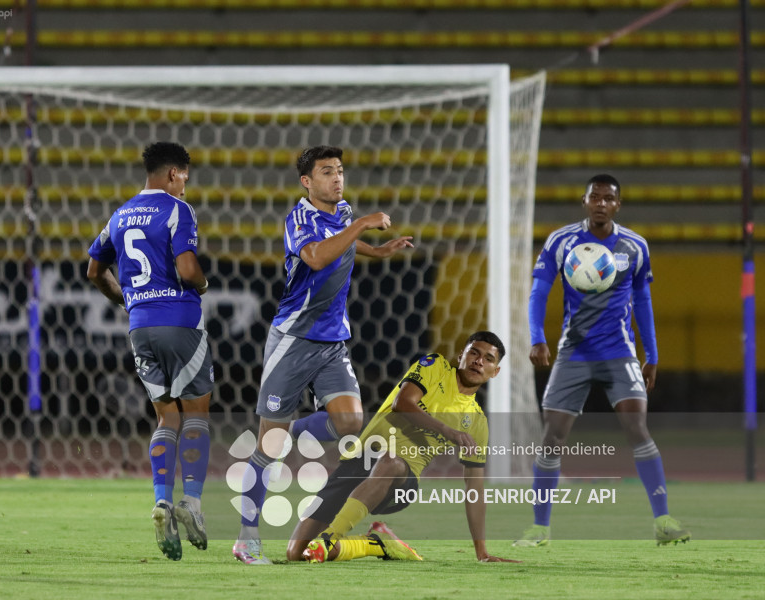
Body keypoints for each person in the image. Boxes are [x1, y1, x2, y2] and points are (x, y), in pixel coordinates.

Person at [233, 145, 414, 565]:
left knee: (349, 422)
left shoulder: (343, 211)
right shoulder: (300, 218)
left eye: (340, 171)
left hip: (332, 343)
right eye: (327, 172)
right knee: (268, 446)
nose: (337, 179)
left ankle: (291, 430)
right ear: (307, 182)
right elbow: (315, 257)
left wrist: (379, 249)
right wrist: (366, 225)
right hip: (293, 340)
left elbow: (344, 246)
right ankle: (246, 538)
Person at [513, 173, 690, 548]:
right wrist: (537, 338)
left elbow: (643, 301)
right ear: (584, 201)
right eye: (595, 197)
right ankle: (539, 528)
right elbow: (538, 292)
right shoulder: (562, 241)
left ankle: (663, 521)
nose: (601, 204)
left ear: (617, 205)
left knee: (637, 428)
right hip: (574, 352)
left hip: (619, 352)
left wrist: (652, 355)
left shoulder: (635, 246)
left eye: (609, 199)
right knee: (552, 439)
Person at [286, 331, 518, 564]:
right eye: (474, 353)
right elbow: (402, 403)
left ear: (495, 372)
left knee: (392, 460)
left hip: (399, 480)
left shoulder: (477, 423)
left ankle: (330, 536)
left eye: (488, 359)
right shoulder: (435, 366)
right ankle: (376, 544)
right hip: (357, 462)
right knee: (298, 554)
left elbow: (474, 487)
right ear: (461, 356)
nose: (479, 361)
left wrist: (482, 552)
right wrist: (448, 431)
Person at [87, 142, 213, 561]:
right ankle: (191, 503)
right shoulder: (178, 210)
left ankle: (162, 500)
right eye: (185, 177)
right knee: (195, 413)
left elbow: (93, 270)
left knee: (165, 416)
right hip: (180, 321)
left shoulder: (119, 215)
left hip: (140, 325)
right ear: (174, 174)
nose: (185, 185)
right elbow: (188, 268)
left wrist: (127, 301)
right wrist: (202, 286)